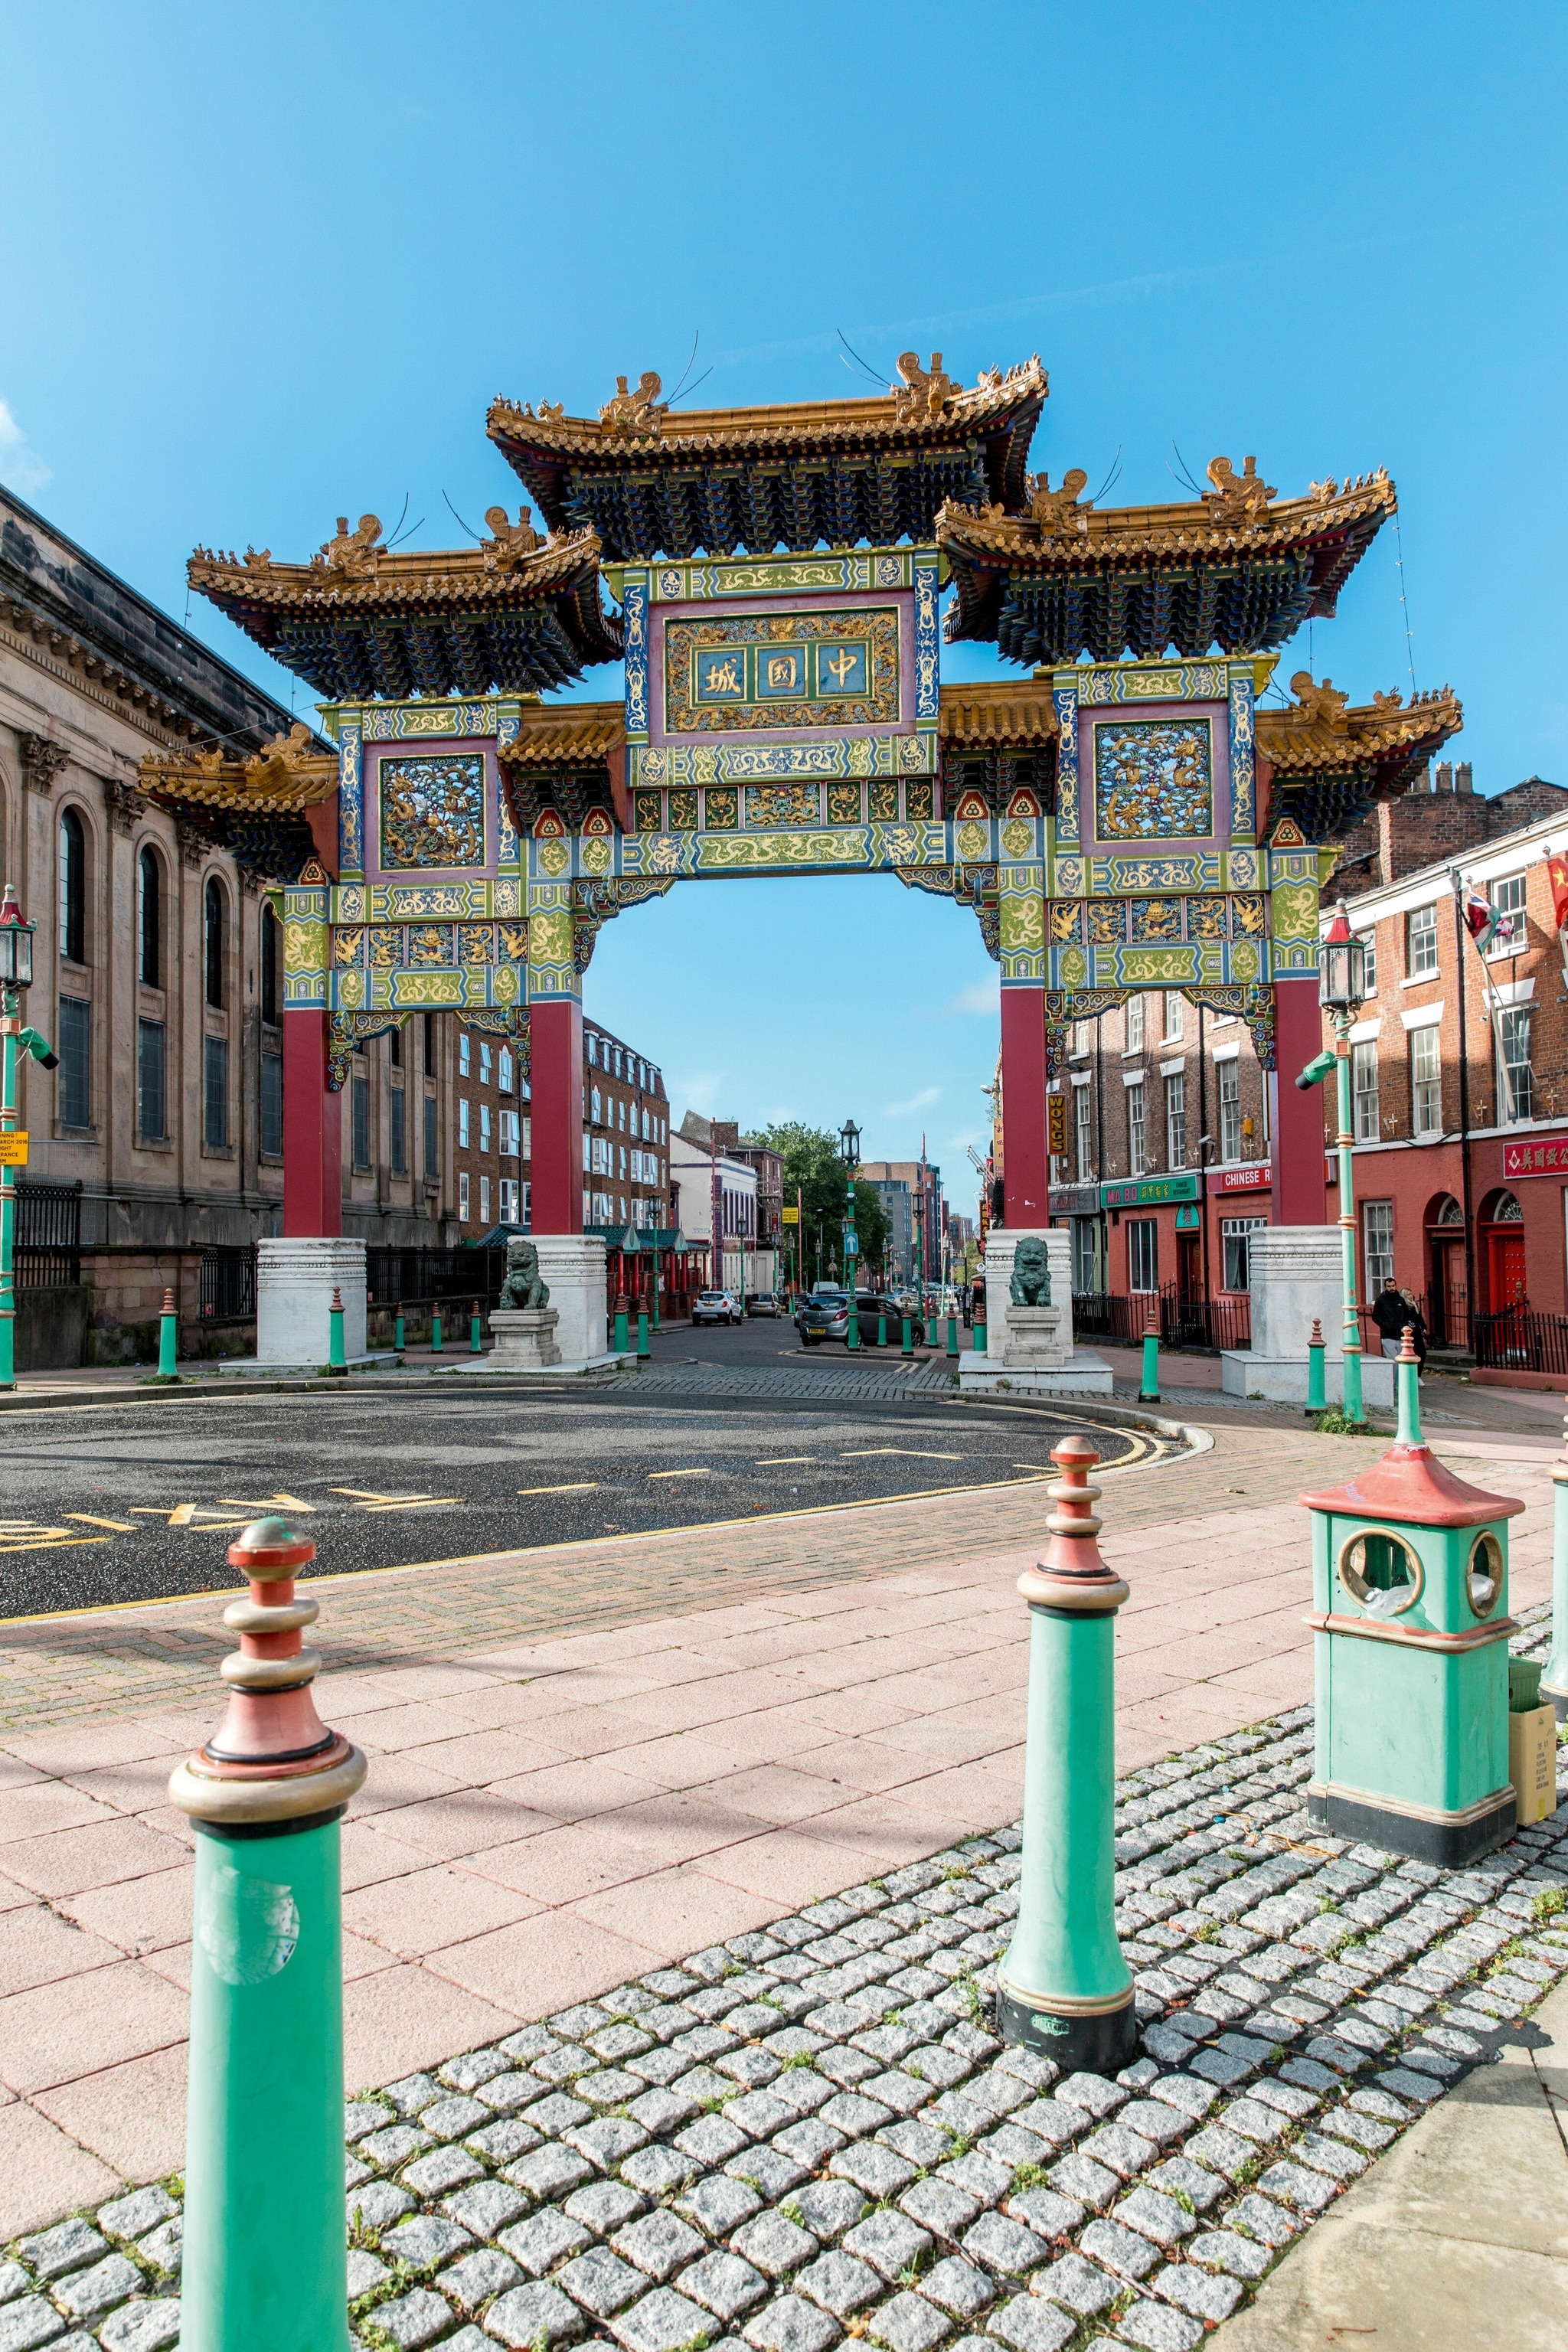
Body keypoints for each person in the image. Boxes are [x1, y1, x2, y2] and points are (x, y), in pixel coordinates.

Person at [1371, 1277, 1426, 1363]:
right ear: (1385, 1287)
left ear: (1396, 1286)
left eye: (1393, 1286)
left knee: (1401, 1360)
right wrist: (1386, 1325)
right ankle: (1394, 1373)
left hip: (1400, 1335)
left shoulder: (1400, 1300)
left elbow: (1405, 1315)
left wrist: (1403, 1325)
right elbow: (1375, 1316)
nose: (1391, 1288)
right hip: (1388, 1335)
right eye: (1389, 1286)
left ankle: (1399, 1373)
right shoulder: (1381, 1300)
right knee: (1393, 1360)